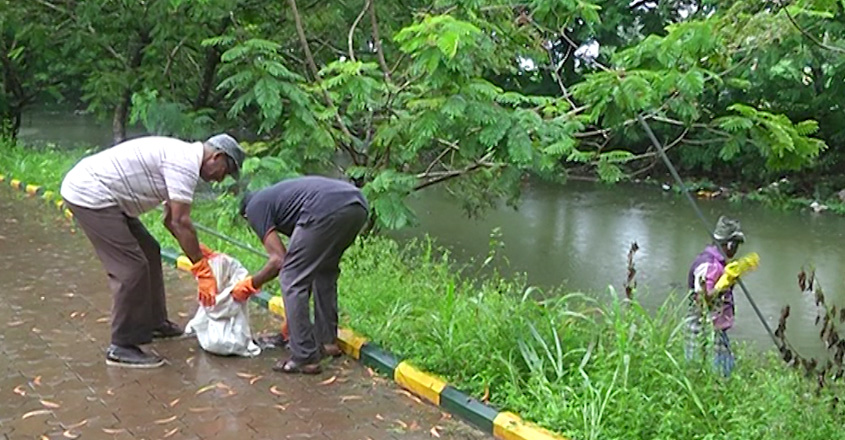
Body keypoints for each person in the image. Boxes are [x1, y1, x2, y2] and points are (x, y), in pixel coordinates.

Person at [60, 134, 245, 368]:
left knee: (150, 250)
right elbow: (180, 222)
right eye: (225, 170)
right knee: (131, 269)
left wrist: (200, 252)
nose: (221, 178)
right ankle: (122, 345)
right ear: (216, 157)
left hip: (108, 196)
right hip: (90, 194)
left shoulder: (184, 159)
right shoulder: (185, 163)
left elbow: (170, 220)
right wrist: (202, 269)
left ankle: (154, 323)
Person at [232, 176, 368, 374]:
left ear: (245, 216)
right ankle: (326, 341)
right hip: (358, 205)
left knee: (291, 278)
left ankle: (304, 356)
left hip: (325, 207)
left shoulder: (254, 208)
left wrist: (250, 285)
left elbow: (279, 260)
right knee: (324, 271)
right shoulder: (277, 198)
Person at [685, 216, 758, 377]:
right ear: (730, 244)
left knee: (723, 370)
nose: (736, 250)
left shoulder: (720, 264)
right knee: (714, 373)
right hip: (702, 328)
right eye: (736, 245)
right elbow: (701, 301)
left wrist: (731, 279)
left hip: (715, 327)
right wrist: (722, 284)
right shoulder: (708, 265)